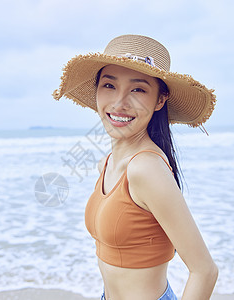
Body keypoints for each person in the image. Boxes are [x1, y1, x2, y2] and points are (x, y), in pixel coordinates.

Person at [53, 34, 218, 300]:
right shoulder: (106, 164)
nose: (119, 102)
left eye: (138, 89)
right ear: (96, 91)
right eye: (109, 85)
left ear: (159, 100)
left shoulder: (146, 169)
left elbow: (204, 271)